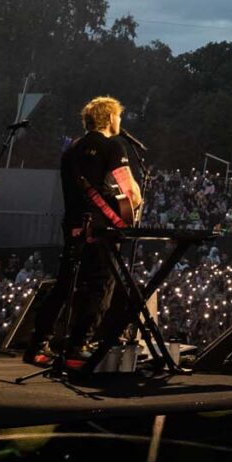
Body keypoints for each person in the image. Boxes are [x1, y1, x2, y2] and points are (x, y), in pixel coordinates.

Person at [26, 96, 143, 372]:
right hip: (101, 228)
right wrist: (134, 202)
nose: (120, 121)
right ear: (110, 117)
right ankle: (79, 344)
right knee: (99, 284)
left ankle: (37, 344)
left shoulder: (71, 150)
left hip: (73, 226)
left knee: (65, 284)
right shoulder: (113, 146)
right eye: (119, 117)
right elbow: (130, 192)